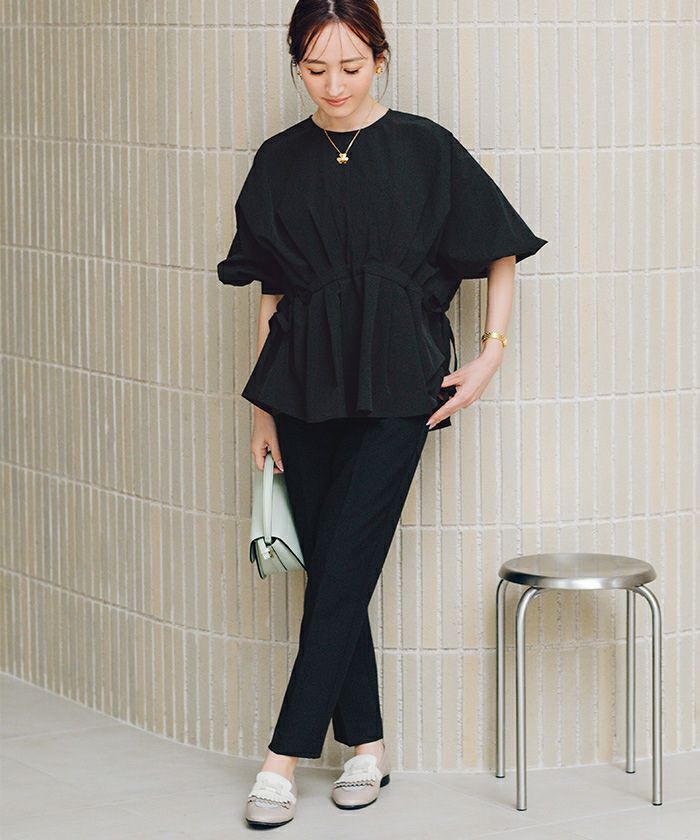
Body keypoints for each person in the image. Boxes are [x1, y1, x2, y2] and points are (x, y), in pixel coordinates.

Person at [217, 1, 547, 829]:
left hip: (402, 387)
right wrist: (262, 410)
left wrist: (490, 354)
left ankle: (283, 758)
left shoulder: (425, 148)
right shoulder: (278, 160)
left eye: (351, 67)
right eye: (315, 69)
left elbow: (500, 249)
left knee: (343, 563)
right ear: (296, 64)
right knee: (334, 568)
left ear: (380, 59)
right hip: (300, 387)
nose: (333, 85)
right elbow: (272, 293)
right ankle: (367, 746)